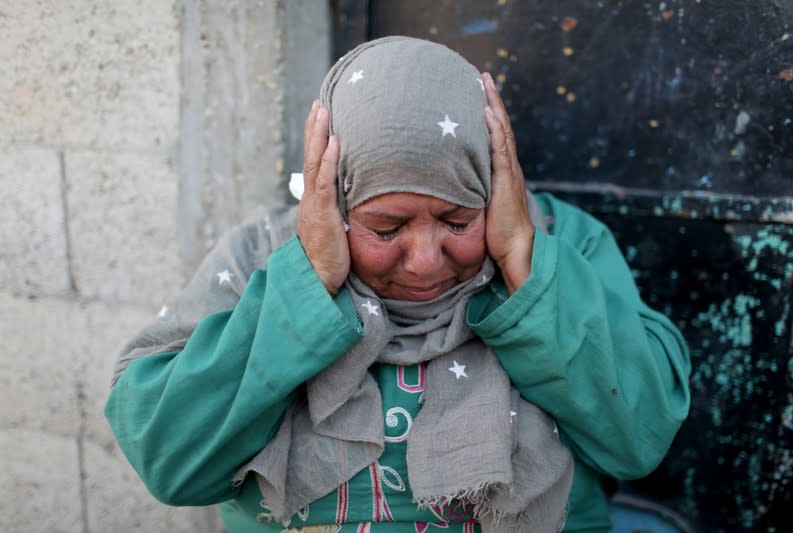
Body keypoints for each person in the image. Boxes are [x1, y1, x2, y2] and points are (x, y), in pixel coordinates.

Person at [105, 36, 691, 533]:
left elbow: (635, 438)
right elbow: (172, 462)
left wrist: (522, 262)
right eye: (387, 227)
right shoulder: (260, 256)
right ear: (334, 199)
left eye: (460, 221)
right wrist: (306, 285)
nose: (426, 261)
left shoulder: (559, 244)